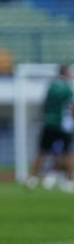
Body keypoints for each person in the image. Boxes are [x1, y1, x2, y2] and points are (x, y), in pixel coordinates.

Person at [26, 64, 73, 192]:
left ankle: (32, 179)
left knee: (42, 151)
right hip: (63, 125)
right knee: (67, 152)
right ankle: (68, 180)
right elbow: (71, 106)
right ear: (66, 73)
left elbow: (45, 103)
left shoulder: (51, 86)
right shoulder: (67, 88)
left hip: (48, 123)